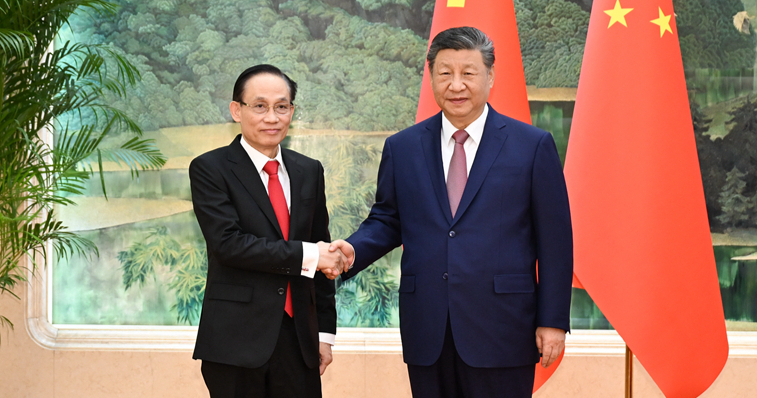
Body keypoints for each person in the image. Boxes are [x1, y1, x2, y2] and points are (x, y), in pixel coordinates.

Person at [331, 27, 573, 397]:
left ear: (490, 76)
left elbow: (555, 241)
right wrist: (353, 249)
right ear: (431, 76)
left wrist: (553, 320)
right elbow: (388, 220)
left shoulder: (531, 145)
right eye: (445, 73)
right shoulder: (403, 147)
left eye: (468, 73)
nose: (456, 85)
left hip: (504, 327)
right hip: (428, 327)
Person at [189, 64, 351, 398]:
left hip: (299, 341)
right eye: (260, 106)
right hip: (236, 342)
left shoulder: (309, 171)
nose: (272, 117)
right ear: (237, 110)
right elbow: (228, 244)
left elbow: (321, 254)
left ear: (292, 111)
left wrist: (324, 334)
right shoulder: (210, 168)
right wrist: (311, 254)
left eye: (281, 107)